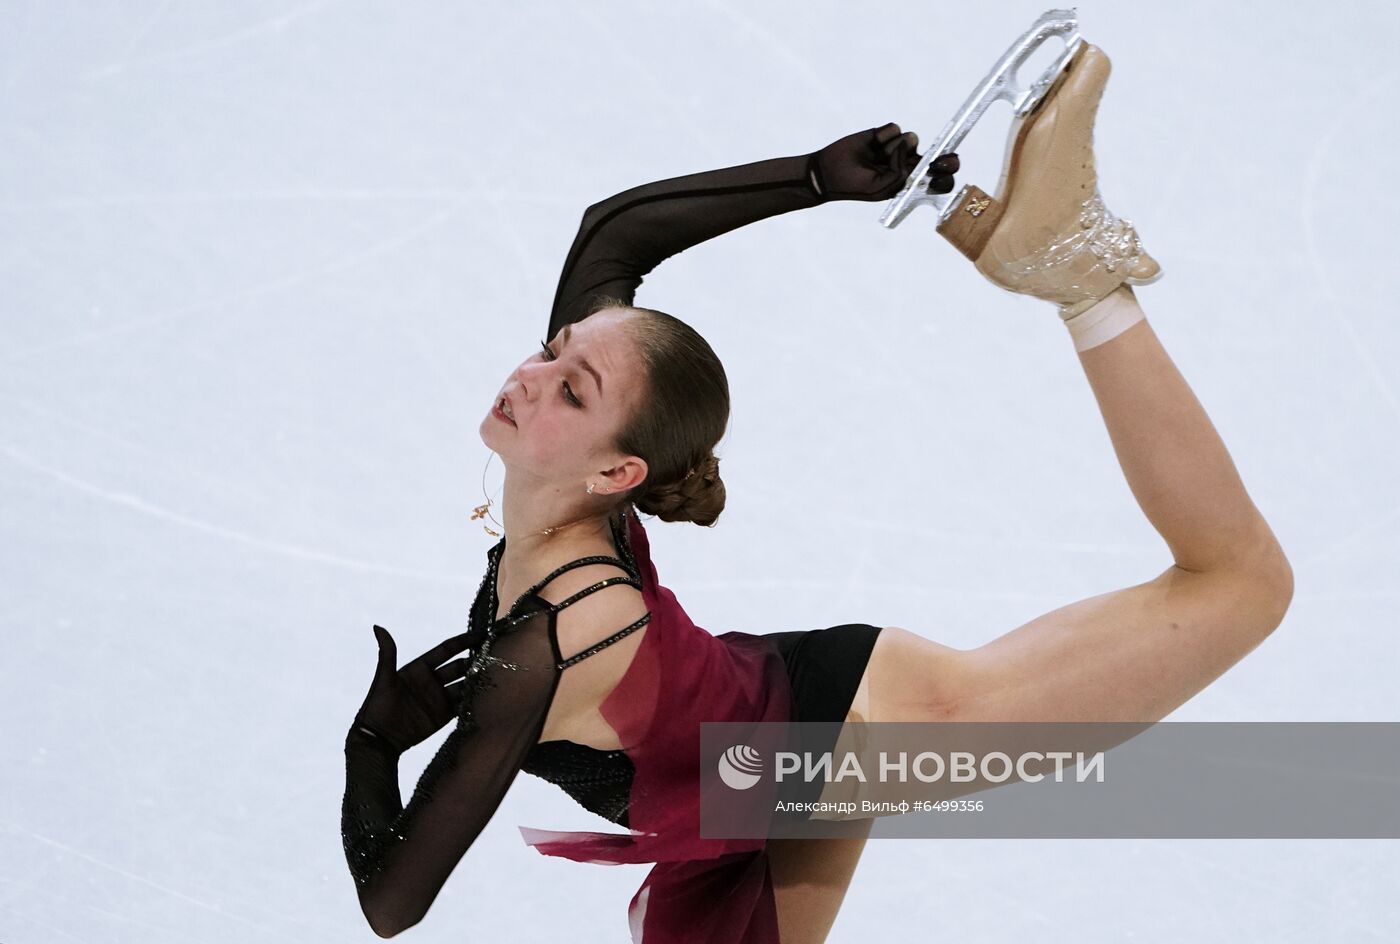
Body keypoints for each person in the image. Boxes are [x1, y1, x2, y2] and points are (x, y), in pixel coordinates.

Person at [341, 45, 1293, 944]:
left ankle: (1081, 279)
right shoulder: (586, 494)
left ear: (619, 472)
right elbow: (613, 232)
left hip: (862, 737)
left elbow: (394, 899)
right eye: (554, 355)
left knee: (1241, 585)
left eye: (572, 385)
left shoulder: (557, 630)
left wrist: (373, 747)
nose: (531, 373)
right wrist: (813, 178)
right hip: (756, 773)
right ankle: (1039, 253)